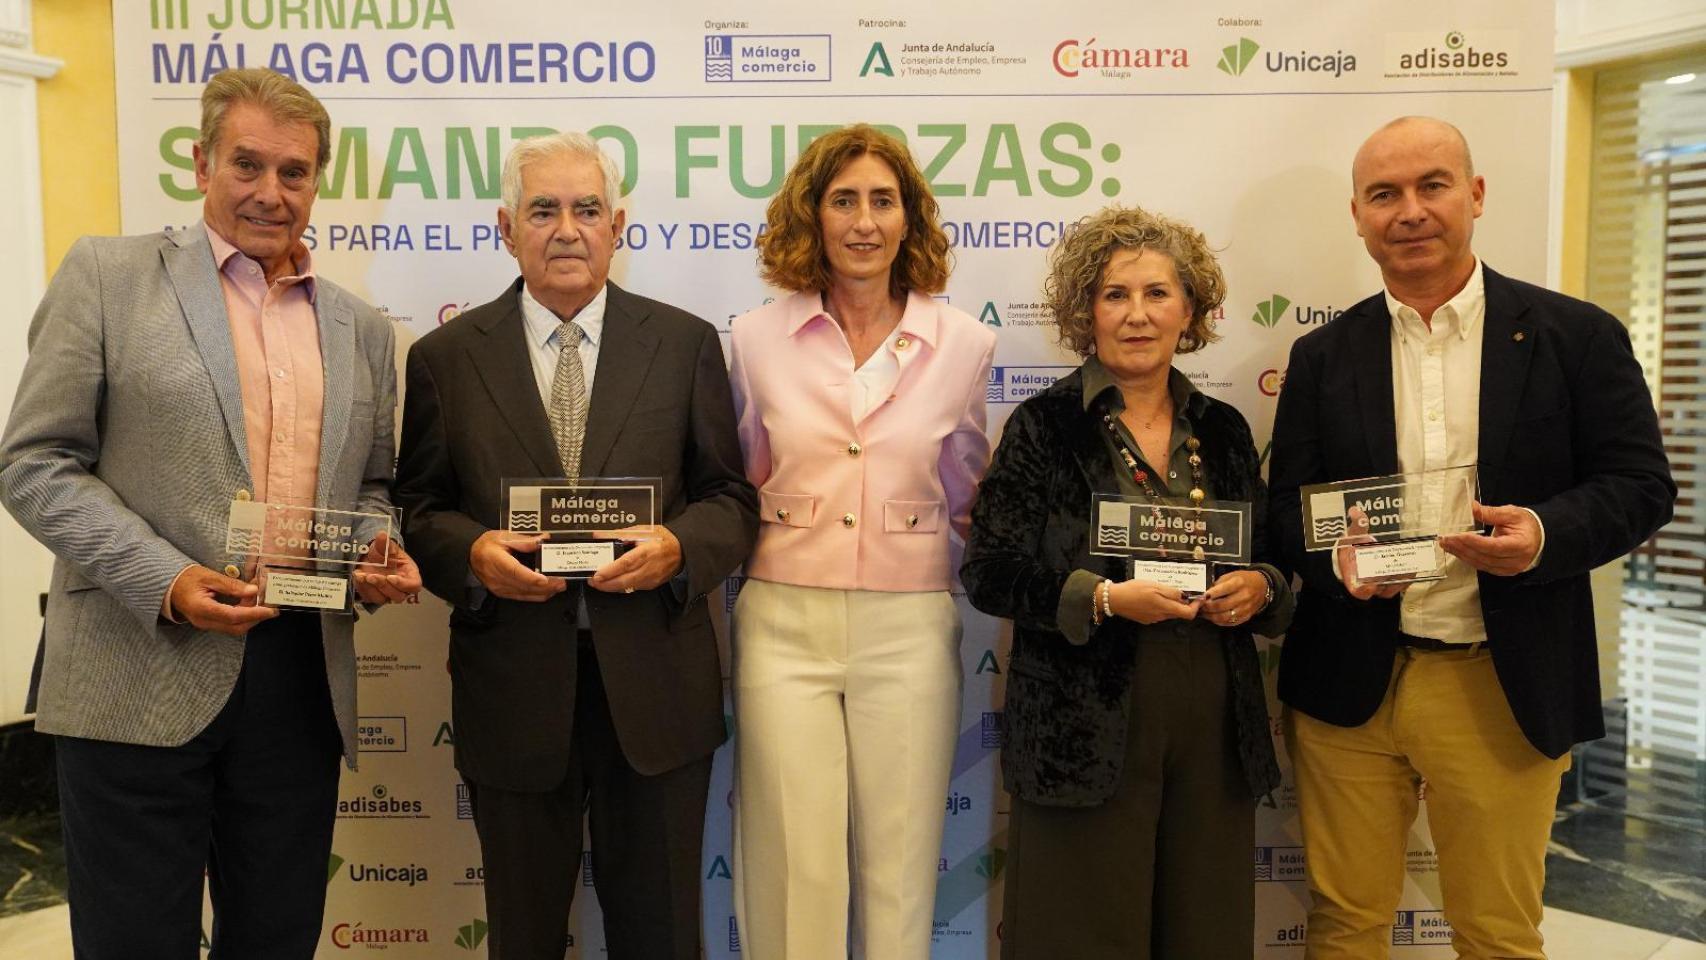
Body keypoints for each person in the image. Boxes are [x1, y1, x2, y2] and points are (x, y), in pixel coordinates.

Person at [0, 67, 420, 958]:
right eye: (248, 164)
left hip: (298, 678)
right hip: (136, 661)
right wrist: (168, 579)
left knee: (276, 938)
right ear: (200, 164)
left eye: (295, 172)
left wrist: (376, 544)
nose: (272, 192)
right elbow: (35, 464)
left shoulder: (362, 328)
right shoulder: (107, 276)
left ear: (318, 182)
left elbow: (373, 482)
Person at [1268, 116, 1675, 960]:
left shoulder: (1578, 336)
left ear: (1477, 195)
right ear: (1357, 215)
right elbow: (1289, 512)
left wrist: (1541, 534)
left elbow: (1641, 488)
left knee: (1496, 932)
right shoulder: (1321, 356)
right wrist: (1333, 562)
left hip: (1503, 676)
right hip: (1351, 680)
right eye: (1385, 194)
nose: (1409, 211)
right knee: (1345, 927)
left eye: (1432, 186)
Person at [392, 131, 757, 960]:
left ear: (617, 223)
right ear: (504, 225)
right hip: (512, 686)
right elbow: (418, 507)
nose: (566, 229)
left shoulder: (685, 343)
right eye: (543, 209)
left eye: (586, 209)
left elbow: (731, 499)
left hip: (657, 687)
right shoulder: (445, 359)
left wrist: (677, 546)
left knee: (661, 933)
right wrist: (472, 554)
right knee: (521, 936)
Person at [961, 204, 1291, 959]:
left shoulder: (1227, 429)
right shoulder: (1044, 427)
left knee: (1204, 932)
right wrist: (1102, 597)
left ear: (1190, 310)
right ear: (1087, 313)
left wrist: (1264, 587)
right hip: (1082, 720)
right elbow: (989, 571)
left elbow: (1275, 557)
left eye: (1156, 294)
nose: (1137, 315)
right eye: (1115, 295)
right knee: (1080, 935)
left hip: (1212, 712)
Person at [727, 123, 996, 959]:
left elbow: (967, 492)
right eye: (843, 200)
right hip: (782, 622)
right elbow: (743, 475)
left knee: (901, 860)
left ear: (910, 218)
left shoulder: (966, 344)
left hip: (909, 625)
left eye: (883, 200)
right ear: (813, 215)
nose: (864, 221)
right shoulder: (754, 338)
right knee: (791, 861)